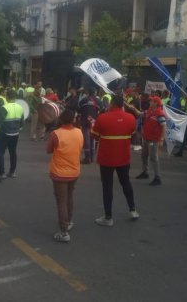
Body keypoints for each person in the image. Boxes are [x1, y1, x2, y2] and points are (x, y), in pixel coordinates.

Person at [91, 95, 139, 226]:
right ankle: (133, 209)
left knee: (107, 187)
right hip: (123, 157)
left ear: (112, 103)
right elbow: (133, 134)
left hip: (107, 158)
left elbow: (94, 135)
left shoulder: (102, 118)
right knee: (126, 182)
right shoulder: (131, 118)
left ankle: (108, 217)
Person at [46, 109, 84, 242]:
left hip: (59, 173)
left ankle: (64, 232)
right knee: (69, 197)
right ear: (73, 119)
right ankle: (69, 221)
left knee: (61, 201)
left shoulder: (56, 134)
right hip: (74, 171)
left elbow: (48, 150)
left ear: (60, 119)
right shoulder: (79, 132)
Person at [0, 89, 25, 182]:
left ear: (6, 97)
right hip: (15, 134)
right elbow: (22, 123)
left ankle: (2, 173)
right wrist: (18, 129)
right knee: (13, 152)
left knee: (0, 152)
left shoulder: (4, 108)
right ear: (15, 97)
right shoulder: (20, 107)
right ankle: (12, 172)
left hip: (4, 134)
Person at [134, 96, 166, 186]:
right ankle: (145, 172)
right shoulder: (149, 111)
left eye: (151, 101)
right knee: (144, 155)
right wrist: (133, 108)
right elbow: (140, 114)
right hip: (147, 138)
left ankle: (157, 177)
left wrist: (161, 139)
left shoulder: (159, 113)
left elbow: (164, 126)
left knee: (153, 157)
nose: (149, 102)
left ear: (156, 103)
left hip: (153, 139)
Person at [77, 88, 102, 163]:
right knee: (93, 138)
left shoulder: (84, 100)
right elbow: (102, 110)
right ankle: (91, 157)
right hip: (94, 121)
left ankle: (87, 157)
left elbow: (78, 109)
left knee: (86, 138)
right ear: (95, 92)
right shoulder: (98, 101)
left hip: (85, 120)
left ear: (88, 92)